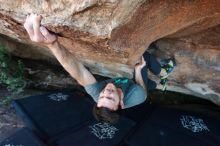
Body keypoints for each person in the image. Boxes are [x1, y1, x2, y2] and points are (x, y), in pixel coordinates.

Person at [23, 13, 175, 123]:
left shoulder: (97, 95)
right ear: (121, 103)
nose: (106, 92)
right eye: (110, 97)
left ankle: (161, 84)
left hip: (129, 83)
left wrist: (52, 44)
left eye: (102, 97)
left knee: (147, 66)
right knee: (146, 68)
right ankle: (164, 72)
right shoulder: (137, 96)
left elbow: (79, 72)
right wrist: (137, 70)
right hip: (137, 85)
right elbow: (141, 87)